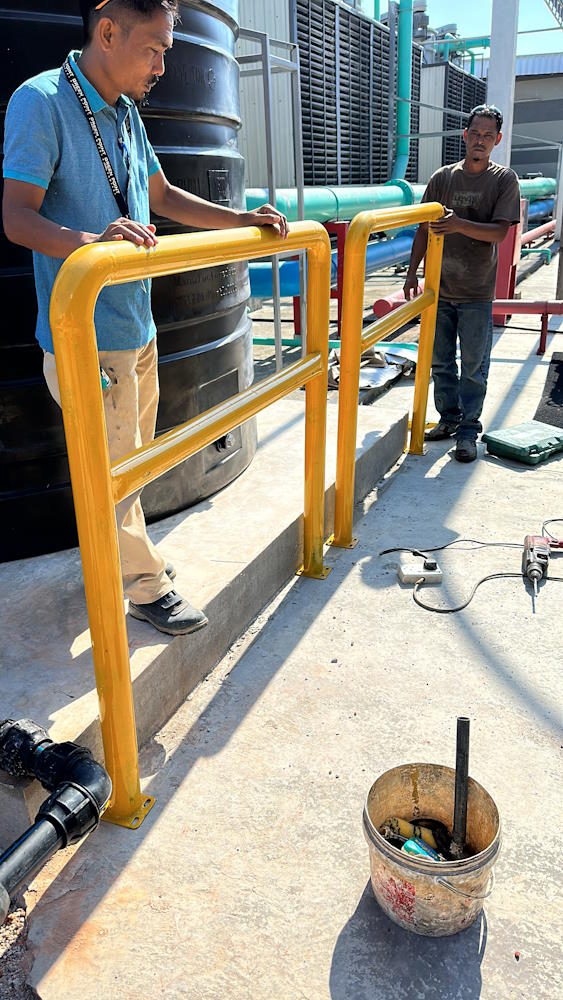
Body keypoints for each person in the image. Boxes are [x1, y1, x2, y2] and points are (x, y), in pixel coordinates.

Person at [2, 0, 288, 635]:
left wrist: (240, 220)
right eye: (153, 49)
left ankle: (126, 561)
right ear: (108, 32)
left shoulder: (127, 111)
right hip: (89, 338)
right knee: (114, 470)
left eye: (166, 51)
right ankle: (144, 586)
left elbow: (160, 195)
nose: (162, 65)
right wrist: (90, 244)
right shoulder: (40, 101)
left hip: (138, 327)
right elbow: (15, 216)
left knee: (131, 466)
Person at [403, 104, 521, 463]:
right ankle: (449, 419)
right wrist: (412, 271)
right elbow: (423, 228)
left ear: (497, 140)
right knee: (441, 362)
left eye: (488, 136)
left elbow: (499, 233)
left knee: (473, 366)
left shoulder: (503, 180)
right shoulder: (443, 178)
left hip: (476, 291)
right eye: (475, 134)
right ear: (465, 136)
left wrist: (458, 225)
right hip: (439, 289)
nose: (480, 140)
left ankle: (469, 431)